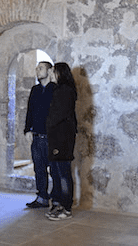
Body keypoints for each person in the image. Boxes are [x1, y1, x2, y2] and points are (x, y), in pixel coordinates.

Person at [45, 62, 77, 221]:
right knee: (56, 172)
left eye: (53, 72)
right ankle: (57, 203)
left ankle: (66, 207)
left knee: (63, 173)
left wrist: (48, 124)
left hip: (62, 138)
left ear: (60, 73)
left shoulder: (65, 91)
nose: (51, 74)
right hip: (55, 137)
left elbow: (59, 114)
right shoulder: (58, 90)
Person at [23, 60, 55, 209]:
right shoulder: (35, 90)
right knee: (39, 168)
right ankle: (42, 197)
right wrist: (27, 129)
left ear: (49, 71)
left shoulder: (55, 89)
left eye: (40, 68)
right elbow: (30, 111)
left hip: (51, 137)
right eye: (36, 68)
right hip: (36, 136)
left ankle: (57, 199)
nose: (37, 70)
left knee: (55, 169)